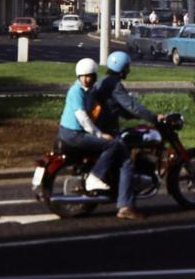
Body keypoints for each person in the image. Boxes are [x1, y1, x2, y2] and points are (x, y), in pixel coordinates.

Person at [89, 50, 166, 220]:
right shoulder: (114, 85)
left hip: (101, 126)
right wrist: (153, 117)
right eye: (127, 67)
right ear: (122, 68)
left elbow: (117, 108)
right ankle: (125, 206)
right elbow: (131, 105)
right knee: (127, 162)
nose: (129, 70)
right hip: (106, 129)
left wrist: (132, 116)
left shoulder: (105, 81)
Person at [56, 57, 125, 204]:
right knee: (112, 145)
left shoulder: (88, 91)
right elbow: (83, 118)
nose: (87, 79)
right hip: (73, 134)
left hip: (74, 132)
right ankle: (95, 177)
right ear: (78, 76)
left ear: (94, 76)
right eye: (84, 76)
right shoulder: (76, 91)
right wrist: (99, 134)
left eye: (90, 76)